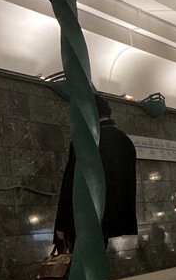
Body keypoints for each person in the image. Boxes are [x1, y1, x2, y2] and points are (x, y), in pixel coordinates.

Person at [55, 95, 137, 248]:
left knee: (79, 266)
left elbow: (71, 183)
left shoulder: (86, 140)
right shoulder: (124, 140)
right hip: (110, 219)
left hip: (81, 220)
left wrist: (62, 223)